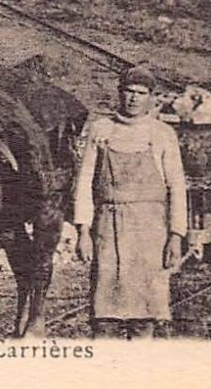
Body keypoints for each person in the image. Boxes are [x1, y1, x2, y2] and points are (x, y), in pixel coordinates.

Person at [71, 65, 188, 338]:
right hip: (108, 227)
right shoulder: (102, 130)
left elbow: (177, 187)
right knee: (105, 314)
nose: (133, 98)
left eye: (140, 93)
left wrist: (176, 235)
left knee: (145, 314)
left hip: (150, 231)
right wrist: (83, 232)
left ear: (151, 98)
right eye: (128, 92)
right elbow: (85, 183)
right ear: (119, 93)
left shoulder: (161, 134)